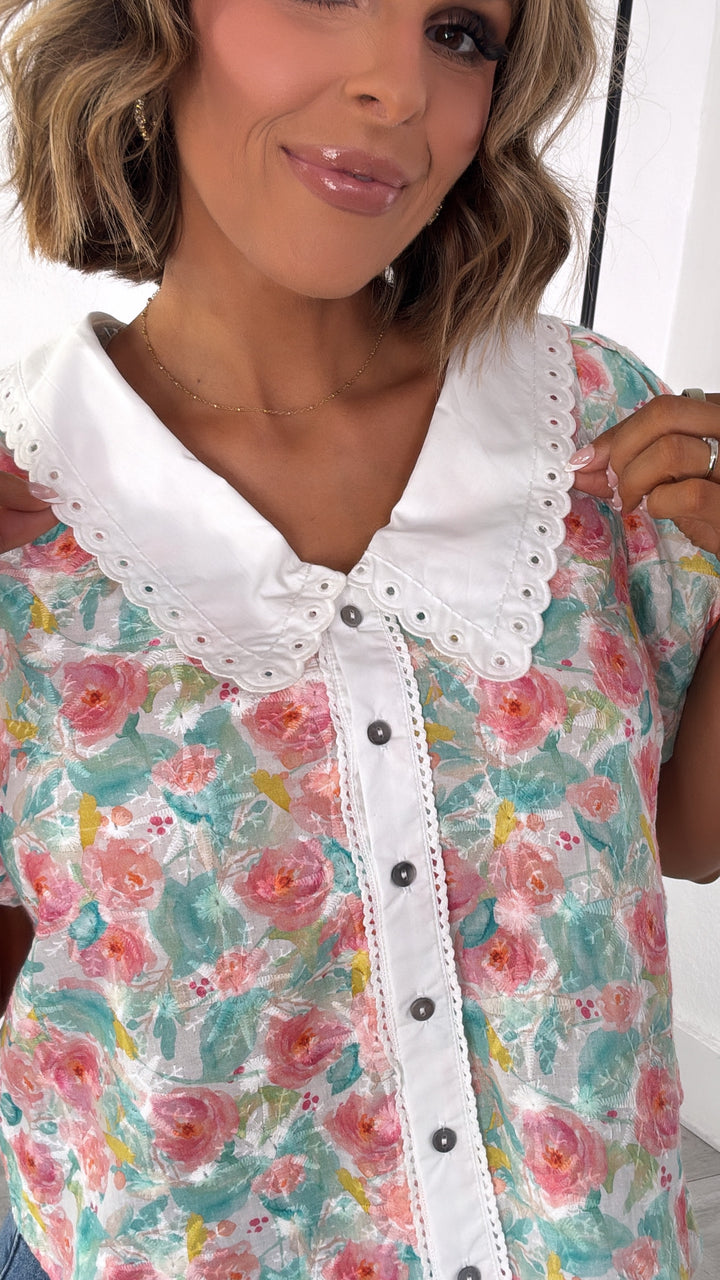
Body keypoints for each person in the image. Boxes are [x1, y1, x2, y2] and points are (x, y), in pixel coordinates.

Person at [0, 2, 718, 1279]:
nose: (398, 86)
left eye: (460, 33)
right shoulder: (26, 509)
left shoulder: (591, 425)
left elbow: (689, 836)